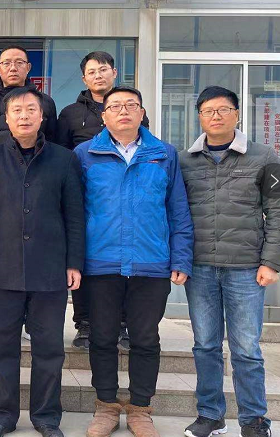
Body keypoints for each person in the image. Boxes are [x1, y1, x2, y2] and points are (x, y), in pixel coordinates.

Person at [74, 86, 194, 437]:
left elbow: (178, 210)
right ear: (104, 116)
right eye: (115, 106)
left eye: (131, 105)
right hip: (100, 263)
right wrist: (73, 261)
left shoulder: (164, 154)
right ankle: (106, 406)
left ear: (142, 113)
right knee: (102, 338)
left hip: (150, 262)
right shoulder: (84, 154)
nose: (123, 111)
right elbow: (74, 212)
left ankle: (141, 408)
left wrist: (181, 257)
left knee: (145, 338)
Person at [0, 85, 85, 437]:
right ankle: (1, 417)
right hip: (2, 270)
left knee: (49, 349)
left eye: (31, 110)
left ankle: (46, 417)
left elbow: (74, 215)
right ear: (6, 119)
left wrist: (73, 262)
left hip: (50, 270)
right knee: (2, 348)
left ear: (42, 116)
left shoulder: (64, 159)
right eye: (17, 111)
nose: (24, 116)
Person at [180, 86, 278, 437]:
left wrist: (271, 261)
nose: (216, 116)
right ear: (200, 117)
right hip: (200, 267)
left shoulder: (264, 156)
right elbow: (176, 214)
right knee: (205, 345)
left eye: (223, 109)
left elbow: (277, 210)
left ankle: (253, 420)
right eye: (208, 111)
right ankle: (210, 415)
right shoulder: (185, 161)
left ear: (236, 114)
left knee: (246, 349)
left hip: (246, 268)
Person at [57, 51, 150, 351]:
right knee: (82, 258)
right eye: (92, 71)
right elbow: (59, 155)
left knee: (121, 261)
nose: (98, 75)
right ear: (84, 78)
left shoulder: (131, 107)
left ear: (114, 72)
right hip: (84, 197)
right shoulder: (70, 114)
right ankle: (84, 324)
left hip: (124, 196)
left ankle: (122, 324)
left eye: (103, 69)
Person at [0, 45, 58, 344]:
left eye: (20, 62)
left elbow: (54, 143)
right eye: (7, 62)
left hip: (37, 184)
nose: (13, 67)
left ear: (28, 68)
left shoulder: (44, 102)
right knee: (1, 256)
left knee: (34, 253)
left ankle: (33, 322)